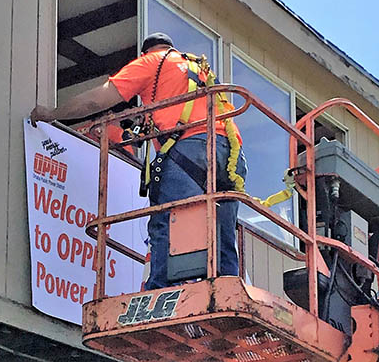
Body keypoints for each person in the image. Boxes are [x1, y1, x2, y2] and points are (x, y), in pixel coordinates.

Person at [30, 32, 246, 290]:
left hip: (190, 149)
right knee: (223, 233)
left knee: (168, 223)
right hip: (231, 154)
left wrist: (53, 114)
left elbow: (96, 100)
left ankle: (159, 292)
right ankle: (227, 289)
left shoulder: (152, 61)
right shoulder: (197, 69)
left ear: (146, 52)